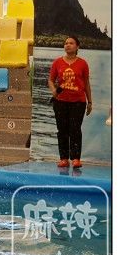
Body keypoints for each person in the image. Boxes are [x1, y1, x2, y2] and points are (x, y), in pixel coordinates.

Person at [48, 36, 93, 169]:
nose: (68, 45)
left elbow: (86, 83)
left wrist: (90, 101)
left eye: (71, 43)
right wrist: (53, 90)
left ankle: (76, 159)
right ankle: (63, 159)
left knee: (75, 130)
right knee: (62, 130)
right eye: (66, 43)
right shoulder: (57, 62)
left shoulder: (83, 64)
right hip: (60, 101)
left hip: (78, 102)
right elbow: (50, 80)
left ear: (77, 47)